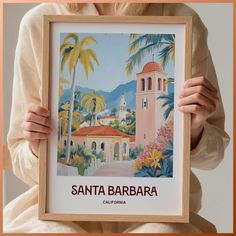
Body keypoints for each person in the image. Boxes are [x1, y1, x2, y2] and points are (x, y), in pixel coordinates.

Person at [4, 2, 230, 233]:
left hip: (158, 208)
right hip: (57, 210)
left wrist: (193, 129)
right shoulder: (39, 22)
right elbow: (19, 157)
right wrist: (35, 144)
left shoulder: (182, 19)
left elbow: (213, 157)